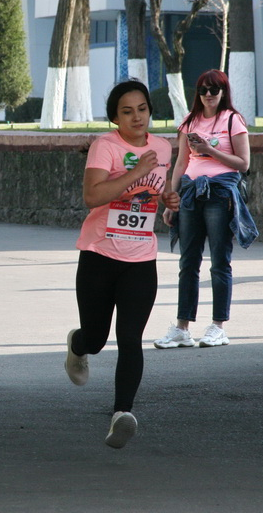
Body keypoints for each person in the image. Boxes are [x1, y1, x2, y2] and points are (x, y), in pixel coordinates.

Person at [64, 80, 180, 448]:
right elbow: (92, 196)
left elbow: (152, 191)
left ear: (150, 110)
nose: (136, 117)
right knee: (97, 338)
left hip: (141, 258)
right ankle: (78, 345)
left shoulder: (162, 148)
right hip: (99, 254)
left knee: (130, 338)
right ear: (115, 116)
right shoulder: (105, 147)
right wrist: (136, 172)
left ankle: (122, 414)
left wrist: (168, 198)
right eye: (127, 111)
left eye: (142, 109)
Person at [155, 69, 258, 349]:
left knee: (219, 262)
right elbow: (180, 162)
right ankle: (182, 328)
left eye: (214, 90)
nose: (209, 95)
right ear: (197, 93)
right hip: (190, 194)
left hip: (220, 194)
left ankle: (217, 326)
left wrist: (209, 150)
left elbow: (243, 163)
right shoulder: (190, 122)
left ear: (223, 92)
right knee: (188, 262)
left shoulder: (232, 120)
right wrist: (170, 198)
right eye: (203, 90)